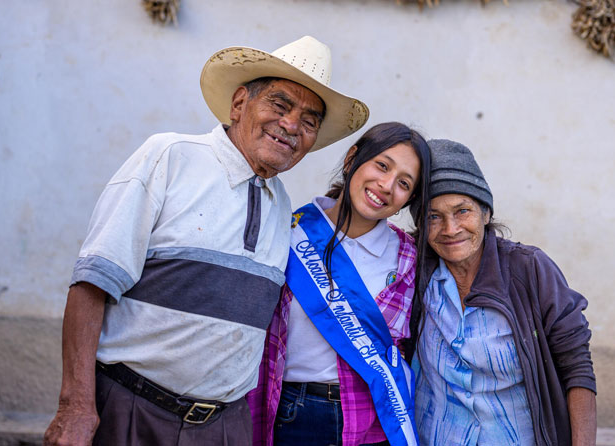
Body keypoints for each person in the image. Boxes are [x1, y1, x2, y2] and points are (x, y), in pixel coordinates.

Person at [43, 36, 370, 446]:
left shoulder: (281, 204)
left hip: (224, 427)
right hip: (132, 410)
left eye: (309, 121)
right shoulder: (171, 156)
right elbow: (93, 282)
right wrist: (75, 407)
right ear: (238, 105)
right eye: (280, 105)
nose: (291, 126)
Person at [248, 121, 432, 446]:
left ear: (409, 198)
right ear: (352, 159)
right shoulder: (288, 234)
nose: (387, 185)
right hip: (295, 413)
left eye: (403, 183)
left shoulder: (409, 258)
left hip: (374, 418)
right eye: (382, 166)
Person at [410, 139, 597, 446]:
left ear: (486, 213)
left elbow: (576, 365)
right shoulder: (416, 272)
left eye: (463, 211)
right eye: (433, 216)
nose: (450, 228)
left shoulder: (530, 269)